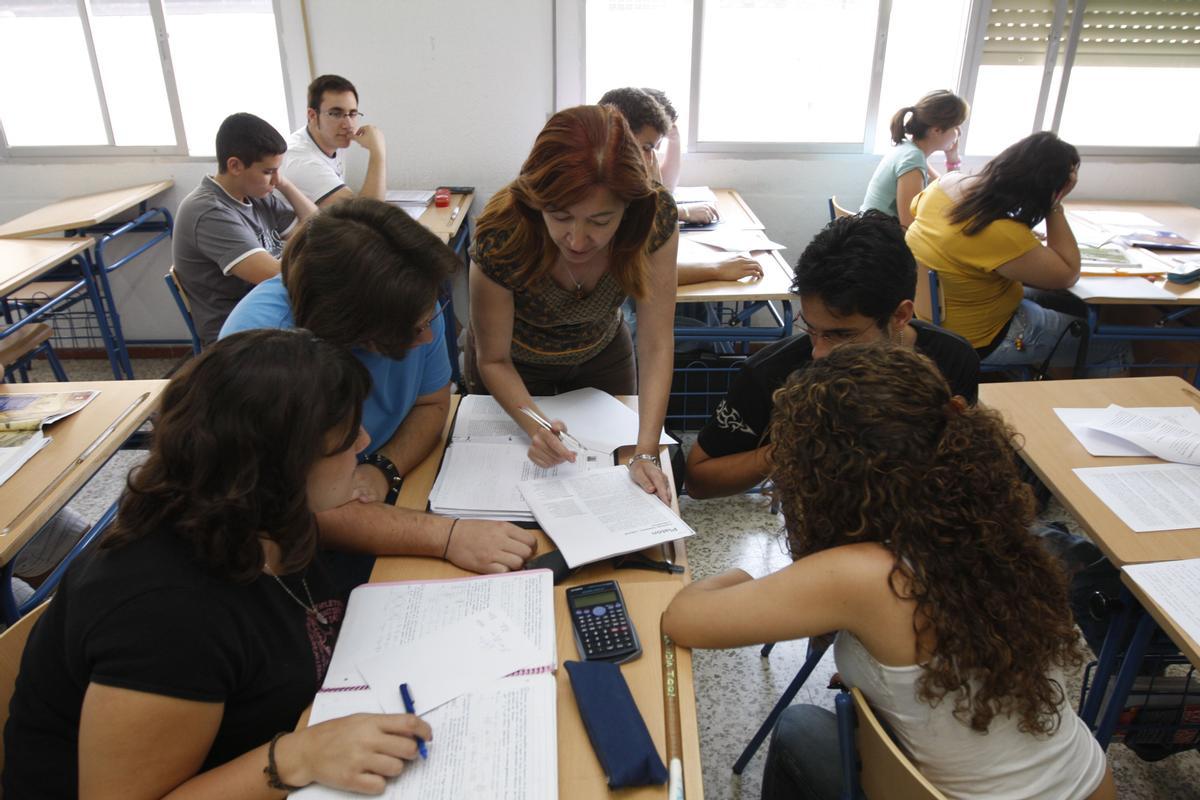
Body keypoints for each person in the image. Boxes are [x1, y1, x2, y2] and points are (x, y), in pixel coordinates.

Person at [663, 345, 1117, 800]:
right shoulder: (993, 532)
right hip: (1089, 780)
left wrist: (744, 578)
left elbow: (682, 618)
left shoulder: (863, 574)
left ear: (822, 477)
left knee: (802, 726)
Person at [3, 329, 434, 798]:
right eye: (346, 436)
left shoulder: (263, 517)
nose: (365, 441)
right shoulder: (163, 614)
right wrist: (297, 756)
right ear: (282, 466)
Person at [222, 198, 536, 574]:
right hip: (293, 537)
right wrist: (447, 536)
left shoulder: (413, 304)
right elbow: (292, 506)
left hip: (377, 490)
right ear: (350, 329)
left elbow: (432, 406)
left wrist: (382, 468)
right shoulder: (265, 353)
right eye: (413, 329)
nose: (428, 336)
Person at [685, 210, 978, 499]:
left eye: (841, 335)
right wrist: (792, 446)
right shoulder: (770, 372)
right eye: (811, 329)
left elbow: (959, 474)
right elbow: (699, 479)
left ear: (900, 315)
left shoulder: (953, 359)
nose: (819, 353)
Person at [466, 105, 675, 501]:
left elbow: (656, 342)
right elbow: (493, 359)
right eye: (560, 216)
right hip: (514, 366)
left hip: (602, 354)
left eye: (600, 222)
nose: (577, 241)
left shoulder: (655, 217)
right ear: (535, 200)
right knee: (517, 491)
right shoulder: (501, 235)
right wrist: (536, 426)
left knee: (614, 473)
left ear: (628, 209)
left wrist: (645, 450)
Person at [905, 131, 1129, 373]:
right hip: (984, 337)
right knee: (1113, 346)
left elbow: (920, 214)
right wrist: (1055, 203)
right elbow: (1068, 274)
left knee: (1065, 304)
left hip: (938, 319)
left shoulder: (945, 185)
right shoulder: (1000, 233)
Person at [173, 112, 317, 344]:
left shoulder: (256, 194)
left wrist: (285, 184)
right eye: (268, 171)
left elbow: (316, 229)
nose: (275, 180)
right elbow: (276, 276)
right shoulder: (208, 211)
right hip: (238, 334)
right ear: (235, 166)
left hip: (273, 311)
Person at [597, 88, 761, 287]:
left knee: (699, 313)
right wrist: (716, 268)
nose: (652, 160)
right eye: (648, 148)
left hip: (632, 303)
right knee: (698, 315)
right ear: (618, 135)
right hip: (630, 307)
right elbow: (646, 274)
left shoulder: (622, 186)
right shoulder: (604, 194)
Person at [860, 90, 968, 227]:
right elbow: (908, 226)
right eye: (956, 126)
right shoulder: (913, 158)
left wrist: (952, 160)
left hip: (873, 232)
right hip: (878, 240)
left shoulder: (910, 149)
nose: (960, 132)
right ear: (937, 130)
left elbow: (946, 191)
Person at [283, 74, 388, 207]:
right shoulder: (301, 161)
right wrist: (378, 152)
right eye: (336, 114)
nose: (348, 125)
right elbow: (367, 216)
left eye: (353, 113)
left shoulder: (332, 140)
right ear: (312, 115)